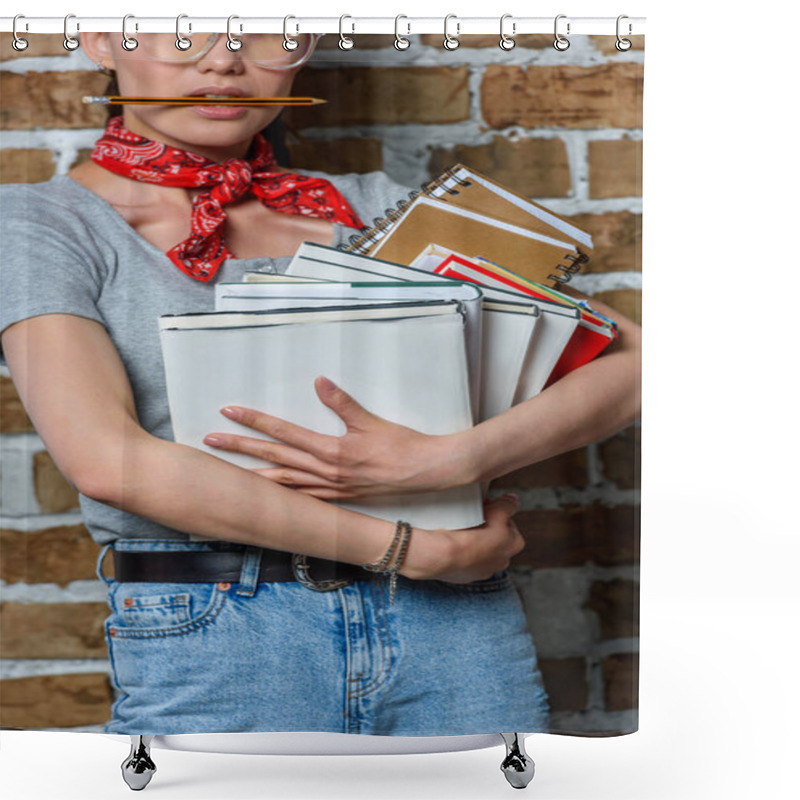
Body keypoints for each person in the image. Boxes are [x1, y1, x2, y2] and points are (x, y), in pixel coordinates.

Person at [0, 32, 640, 736]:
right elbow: (108, 461)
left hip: (455, 622)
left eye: (268, 29)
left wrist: (456, 460)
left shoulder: (383, 209)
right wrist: (411, 549)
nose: (222, 61)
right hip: (219, 623)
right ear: (99, 39)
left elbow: (637, 363)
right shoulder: (43, 225)